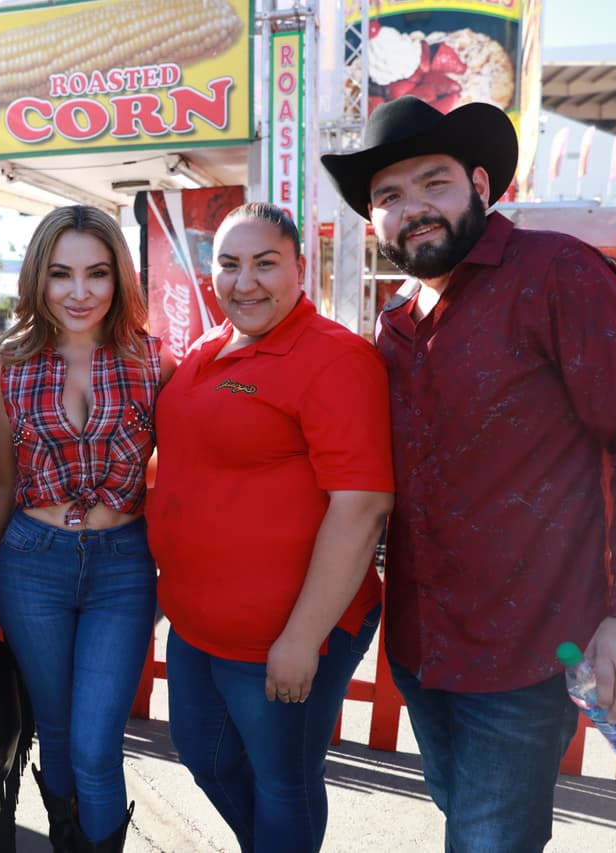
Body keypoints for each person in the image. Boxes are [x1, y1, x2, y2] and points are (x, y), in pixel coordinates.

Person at [320, 96, 616, 851]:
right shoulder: (396, 322)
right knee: (464, 814)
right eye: (389, 196)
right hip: (422, 646)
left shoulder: (558, 273)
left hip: (530, 650)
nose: (412, 208)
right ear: (373, 220)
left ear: (480, 185)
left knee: (488, 839)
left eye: (433, 182)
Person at [147, 202, 394, 853]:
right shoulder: (205, 347)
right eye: (229, 264)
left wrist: (302, 637)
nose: (245, 281)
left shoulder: (335, 358)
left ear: (299, 268)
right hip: (197, 622)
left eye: (265, 263)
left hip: (287, 632)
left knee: (283, 781)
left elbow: (362, 505)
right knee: (205, 756)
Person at [0, 205, 172, 852]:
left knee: (95, 744)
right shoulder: (10, 362)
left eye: (98, 272)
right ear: (39, 277)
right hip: (30, 561)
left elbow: (196, 464)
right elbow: (1, 478)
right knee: (57, 732)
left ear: (120, 277)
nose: (80, 291)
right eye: (62, 273)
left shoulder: (153, 361)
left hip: (122, 563)